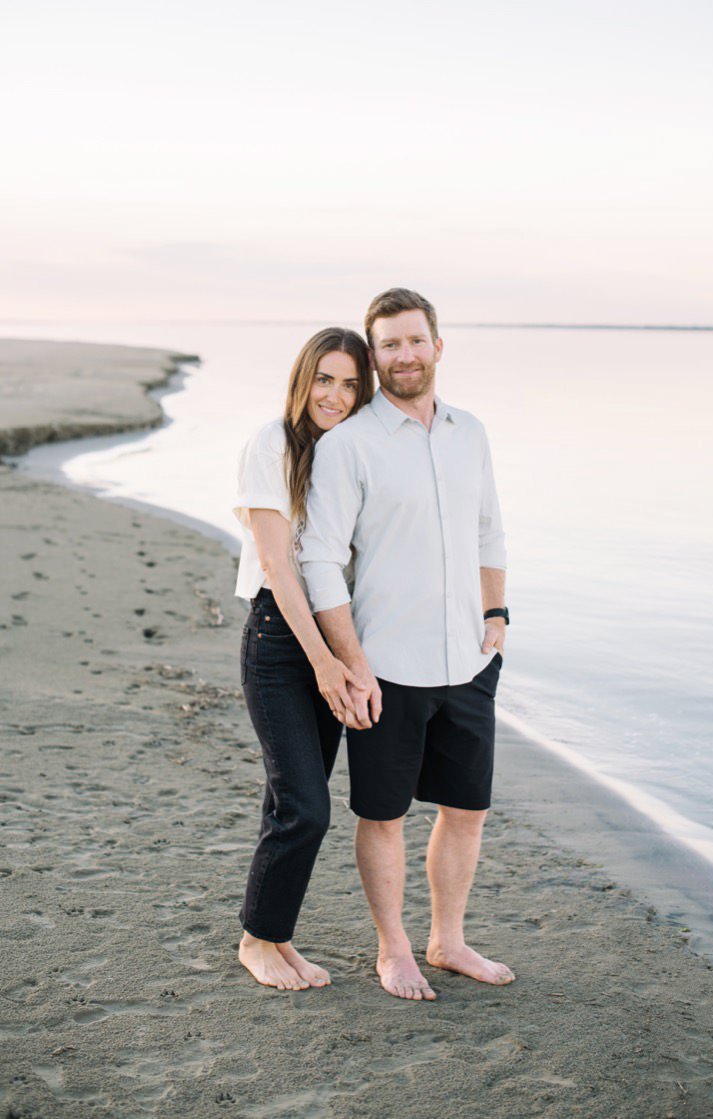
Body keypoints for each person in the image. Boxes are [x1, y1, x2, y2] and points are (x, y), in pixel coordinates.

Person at [299, 287, 512, 1001]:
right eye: (389, 344)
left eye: (415, 339)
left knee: (467, 811)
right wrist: (353, 662)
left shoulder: (470, 431)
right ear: (375, 354)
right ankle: (394, 948)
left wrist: (498, 614)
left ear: (438, 345)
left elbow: (489, 528)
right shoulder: (349, 445)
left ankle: (447, 939)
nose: (405, 354)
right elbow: (320, 559)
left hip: (468, 661)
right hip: (387, 666)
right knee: (382, 815)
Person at [233, 327, 374, 990]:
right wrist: (323, 662)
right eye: (325, 379)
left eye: (349, 383)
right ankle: (258, 942)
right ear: (303, 379)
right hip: (281, 642)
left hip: (331, 638)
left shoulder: (350, 454)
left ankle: (271, 936)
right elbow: (278, 566)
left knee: (290, 798)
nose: (336, 395)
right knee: (307, 807)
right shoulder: (275, 443)